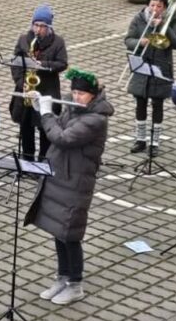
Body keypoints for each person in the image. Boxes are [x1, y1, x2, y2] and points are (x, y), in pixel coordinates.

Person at [25, 68, 114, 305]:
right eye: (74, 92)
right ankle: (62, 277)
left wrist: (46, 114)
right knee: (59, 230)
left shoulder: (95, 119)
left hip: (76, 182)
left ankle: (75, 284)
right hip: (61, 177)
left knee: (70, 234)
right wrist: (40, 108)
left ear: (93, 95)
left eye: (81, 94)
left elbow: (62, 138)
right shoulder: (75, 109)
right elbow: (59, 125)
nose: (76, 97)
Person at [123, 0, 176, 156]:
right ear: (147, 5)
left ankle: (155, 142)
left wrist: (164, 26)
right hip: (142, 65)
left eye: (159, 6)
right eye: (152, 5)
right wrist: (140, 42)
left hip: (161, 66)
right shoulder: (139, 18)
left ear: (164, 8)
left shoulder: (171, 19)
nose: (155, 9)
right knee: (140, 103)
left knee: (158, 104)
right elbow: (128, 40)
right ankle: (140, 139)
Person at [9, 4, 68, 161]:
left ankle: (44, 160)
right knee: (26, 127)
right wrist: (21, 82)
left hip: (47, 90)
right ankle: (27, 159)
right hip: (27, 90)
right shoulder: (24, 40)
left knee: (45, 128)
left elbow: (62, 63)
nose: (38, 29)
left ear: (49, 27)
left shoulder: (57, 42)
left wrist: (43, 65)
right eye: (36, 25)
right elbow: (15, 64)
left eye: (42, 26)